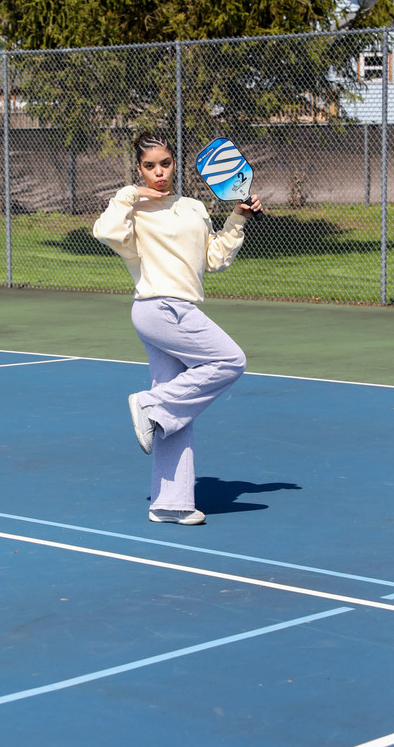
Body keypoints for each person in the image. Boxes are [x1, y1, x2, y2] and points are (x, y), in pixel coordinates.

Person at [93, 131, 263, 525]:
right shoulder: (132, 209)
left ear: (175, 165)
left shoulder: (194, 207)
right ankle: (150, 405)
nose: (158, 173)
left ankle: (171, 502)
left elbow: (214, 258)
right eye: (149, 166)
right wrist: (129, 194)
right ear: (139, 169)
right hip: (159, 308)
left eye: (165, 164)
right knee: (230, 360)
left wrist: (238, 217)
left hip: (179, 308)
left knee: (176, 413)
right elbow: (104, 232)